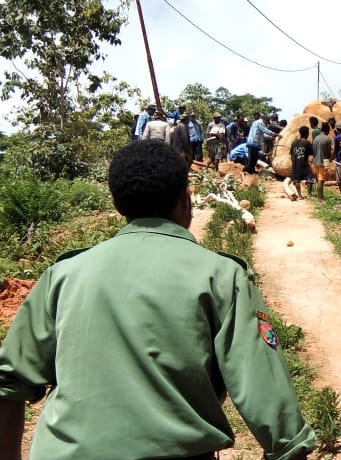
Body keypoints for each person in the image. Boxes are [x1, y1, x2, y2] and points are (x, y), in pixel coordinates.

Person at [0, 140, 315, 459]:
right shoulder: (221, 276)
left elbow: (8, 383)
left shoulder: (62, 276)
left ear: (117, 204)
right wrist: (289, 446)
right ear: (186, 200)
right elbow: (266, 391)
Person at [290, 126, 315, 200]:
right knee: (309, 177)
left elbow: (291, 154)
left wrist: (293, 163)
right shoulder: (307, 143)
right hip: (304, 163)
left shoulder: (294, 143)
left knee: (296, 179)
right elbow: (312, 153)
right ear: (307, 134)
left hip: (295, 163)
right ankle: (309, 194)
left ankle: (300, 195)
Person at [311, 122, 333, 202]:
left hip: (315, 161)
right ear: (327, 130)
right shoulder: (327, 139)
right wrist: (330, 158)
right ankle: (320, 198)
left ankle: (320, 196)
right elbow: (329, 151)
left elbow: (313, 150)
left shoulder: (315, 139)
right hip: (323, 162)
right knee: (321, 180)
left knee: (318, 179)